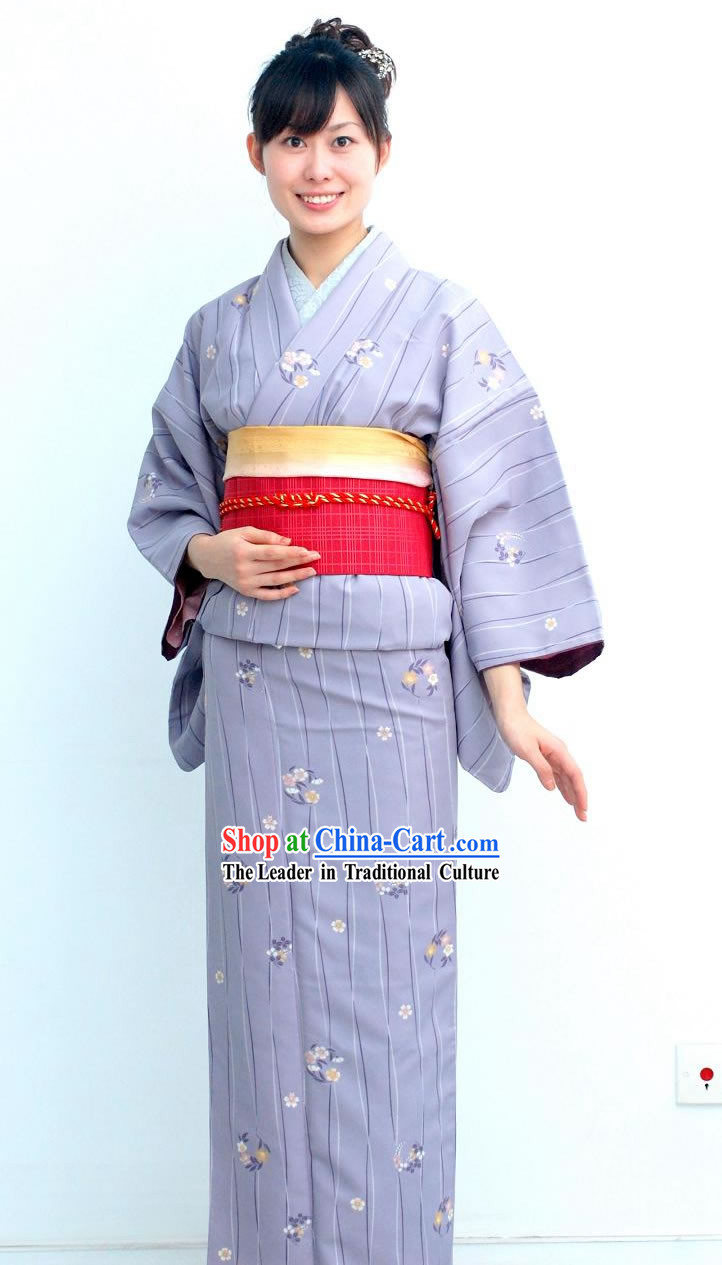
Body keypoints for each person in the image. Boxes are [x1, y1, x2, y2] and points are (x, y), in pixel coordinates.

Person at [127, 17, 604, 1264]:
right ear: (256, 154)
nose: (316, 165)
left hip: (391, 684)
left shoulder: (441, 317)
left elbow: (490, 518)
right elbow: (171, 496)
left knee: (391, 979)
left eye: (340, 139)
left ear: (380, 152)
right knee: (265, 974)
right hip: (257, 678)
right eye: (291, 141)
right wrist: (209, 553)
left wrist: (508, 705)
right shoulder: (217, 330)